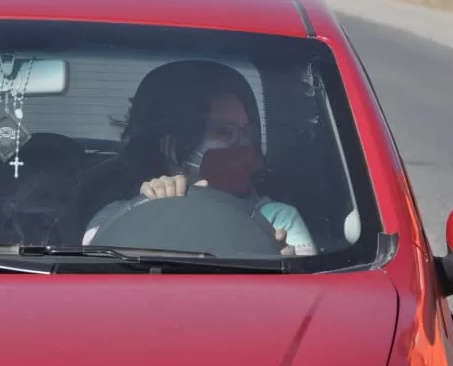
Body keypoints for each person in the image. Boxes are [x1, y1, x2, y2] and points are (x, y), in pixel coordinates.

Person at [79, 59, 316, 255]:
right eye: (224, 132)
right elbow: (97, 276)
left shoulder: (278, 219)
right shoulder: (116, 215)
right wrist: (154, 212)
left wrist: (284, 262)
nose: (242, 143)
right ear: (172, 147)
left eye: (247, 132)